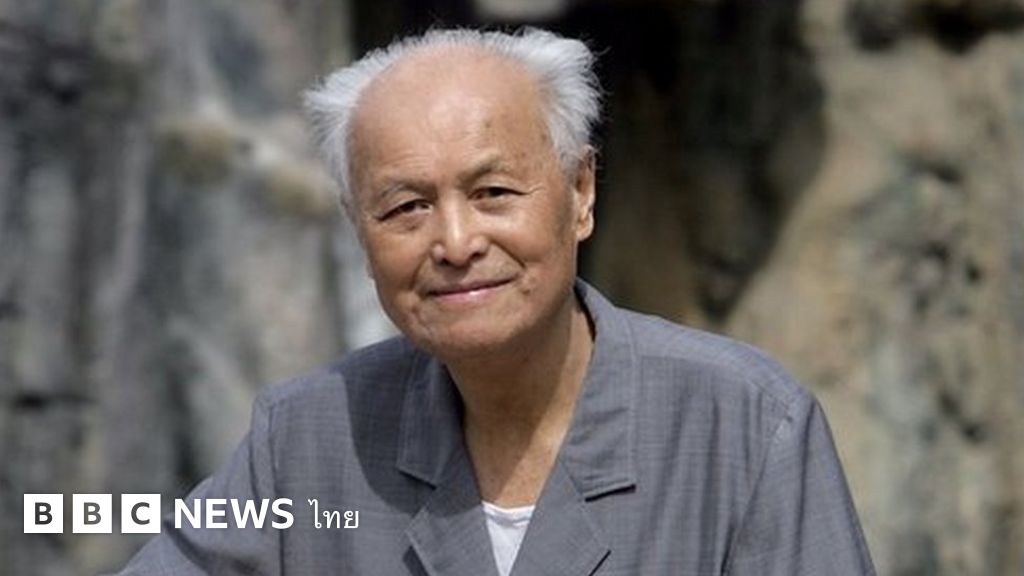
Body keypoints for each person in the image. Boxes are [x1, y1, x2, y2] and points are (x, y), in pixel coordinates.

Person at [113, 27, 875, 575]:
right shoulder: (309, 441)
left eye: (494, 193)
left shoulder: (744, 428)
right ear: (358, 231)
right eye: (406, 207)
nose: (454, 241)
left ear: (580, 192)